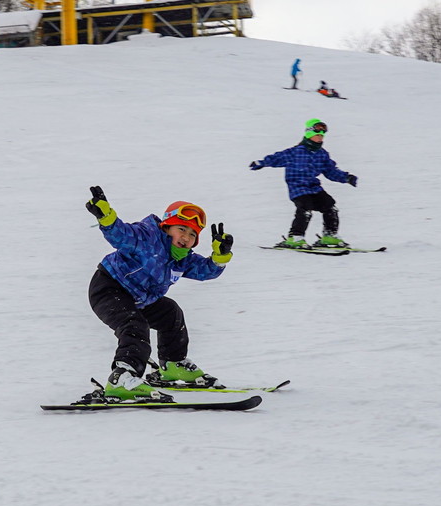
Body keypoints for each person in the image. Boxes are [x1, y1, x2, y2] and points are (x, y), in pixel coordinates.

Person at [83, 186, 235, 401]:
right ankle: (123, 377)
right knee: (134, 326)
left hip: (140, 298)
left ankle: (173, 364)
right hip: (109, 288)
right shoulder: (147, 236)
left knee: (170, 313)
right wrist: (107, 216)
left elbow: (206, 271)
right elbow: (121, 235)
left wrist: (220, 256)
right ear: (167, 226)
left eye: (193, 234)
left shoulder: (182, 258)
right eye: (182, 228)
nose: (186, 237)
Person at [249, 119, 357, 249]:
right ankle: (295, 237)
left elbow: (330, 171)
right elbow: (277, 158)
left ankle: (330, 235)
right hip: (298, 188)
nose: (320, 138)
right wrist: (261, 163)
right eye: (317, 135)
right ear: (309, 135)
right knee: (305, 208)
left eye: (322, 136)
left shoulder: (322, 154)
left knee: (330, 206)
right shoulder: (295, 152)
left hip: (314, 187)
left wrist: (346, 178)